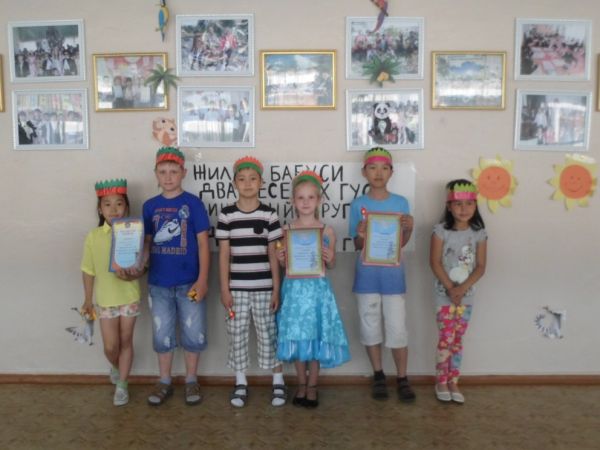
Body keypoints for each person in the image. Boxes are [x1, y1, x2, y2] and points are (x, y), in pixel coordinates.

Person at [216, 156, 286, 408]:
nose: (247, 183)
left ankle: (278, 380)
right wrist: (224, 289)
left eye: (253, 178)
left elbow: (273, 255)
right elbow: (224, 254)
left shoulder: (269, 215)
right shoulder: (227, 215)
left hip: (264, 288)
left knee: (269, 333)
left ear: (261, 183)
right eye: (242, 179)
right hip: (236, 290)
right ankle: (240, 382)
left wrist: (276, 289)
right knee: (237, 334)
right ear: (234, 183)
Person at [142, 147, 210, 406]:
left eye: (173, 171)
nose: (168, 177)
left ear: (184, 173)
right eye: (163, 172)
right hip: (159, 284)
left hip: (189, 283)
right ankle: (164, 380)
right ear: (156, 174)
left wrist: (202, 280)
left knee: (193, 332)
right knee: (162, 335)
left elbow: (203, 244)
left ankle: (191, 379)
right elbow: (146, 243)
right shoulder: (149, 206)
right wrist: (137, 264)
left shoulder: (193, 204)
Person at [276, 171, 350, 408]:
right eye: (301, 197)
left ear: (319, 200)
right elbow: (283, 264)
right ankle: (300, 384)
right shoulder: (286, 230)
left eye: (311, 197)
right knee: (298, 338)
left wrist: (330, 257)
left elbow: (332, 264)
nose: (306, 202)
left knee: (316, 337)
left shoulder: (327, 231)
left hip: (318, 293)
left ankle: (312, 386)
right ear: (293, 201)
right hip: (294, 293)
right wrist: (281, 259)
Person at [348, 147, 415, 402]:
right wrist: (361, 234)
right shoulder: (358, 205)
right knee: (370, 327)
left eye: (384, 168)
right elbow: (356, 244)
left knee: (397, 328)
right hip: (366, 278)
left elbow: (401, 243)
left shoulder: (401, 203)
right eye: (373, 168)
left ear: (391, 172)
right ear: (364, 172)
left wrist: (409, 228)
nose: (378, 173)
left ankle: (402, 377)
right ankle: (378, 374)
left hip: (393, 278)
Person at [80, 179, 142, 406]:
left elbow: (143, 265)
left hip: (129, 296)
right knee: (110, 346)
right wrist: (88, 300)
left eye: (119, 204)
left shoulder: (134, 232)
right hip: (105, 300)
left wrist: (134, 273)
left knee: (126, 341)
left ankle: (122, 386)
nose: (114, 209)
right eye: (107, 204)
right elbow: (88, 270)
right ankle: (116, 367)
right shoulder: (93, 236)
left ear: (126, 207)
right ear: (100, 209)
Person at [429, 179, 487, 404]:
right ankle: (441, 381)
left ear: (475, 205)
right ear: (449, 206)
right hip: (444, 295)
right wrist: (451, 288)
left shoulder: (479, 234)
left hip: (466, 297)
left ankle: (454, 381)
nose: (464, 209)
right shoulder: (440, 231)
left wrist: (462, 289)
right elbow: (434, 262)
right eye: (459, 204)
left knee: (458, 340)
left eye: (469, 204)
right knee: (446, 338)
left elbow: (481, 266)